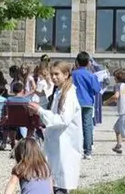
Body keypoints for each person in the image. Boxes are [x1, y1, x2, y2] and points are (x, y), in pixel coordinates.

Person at [27, 62, 82, 194]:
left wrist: (40, 111)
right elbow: (53, 112)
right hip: (57, 144)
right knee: (54, 182)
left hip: (65, 145)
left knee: (60, 183)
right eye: (52, 74)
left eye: (57, 74)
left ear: (66, 74)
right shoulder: (58, 91)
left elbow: (63, 120)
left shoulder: (69, 94)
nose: (54, 77)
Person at [72, 52, 101, 159]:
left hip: (75, 102)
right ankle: (87, 151)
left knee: (75, 126)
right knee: (87, 126)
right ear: (88, 63)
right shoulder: (91, 75)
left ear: (77, 62)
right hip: (88, 103)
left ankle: (75, 148)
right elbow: (97, 89)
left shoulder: (73, 74)